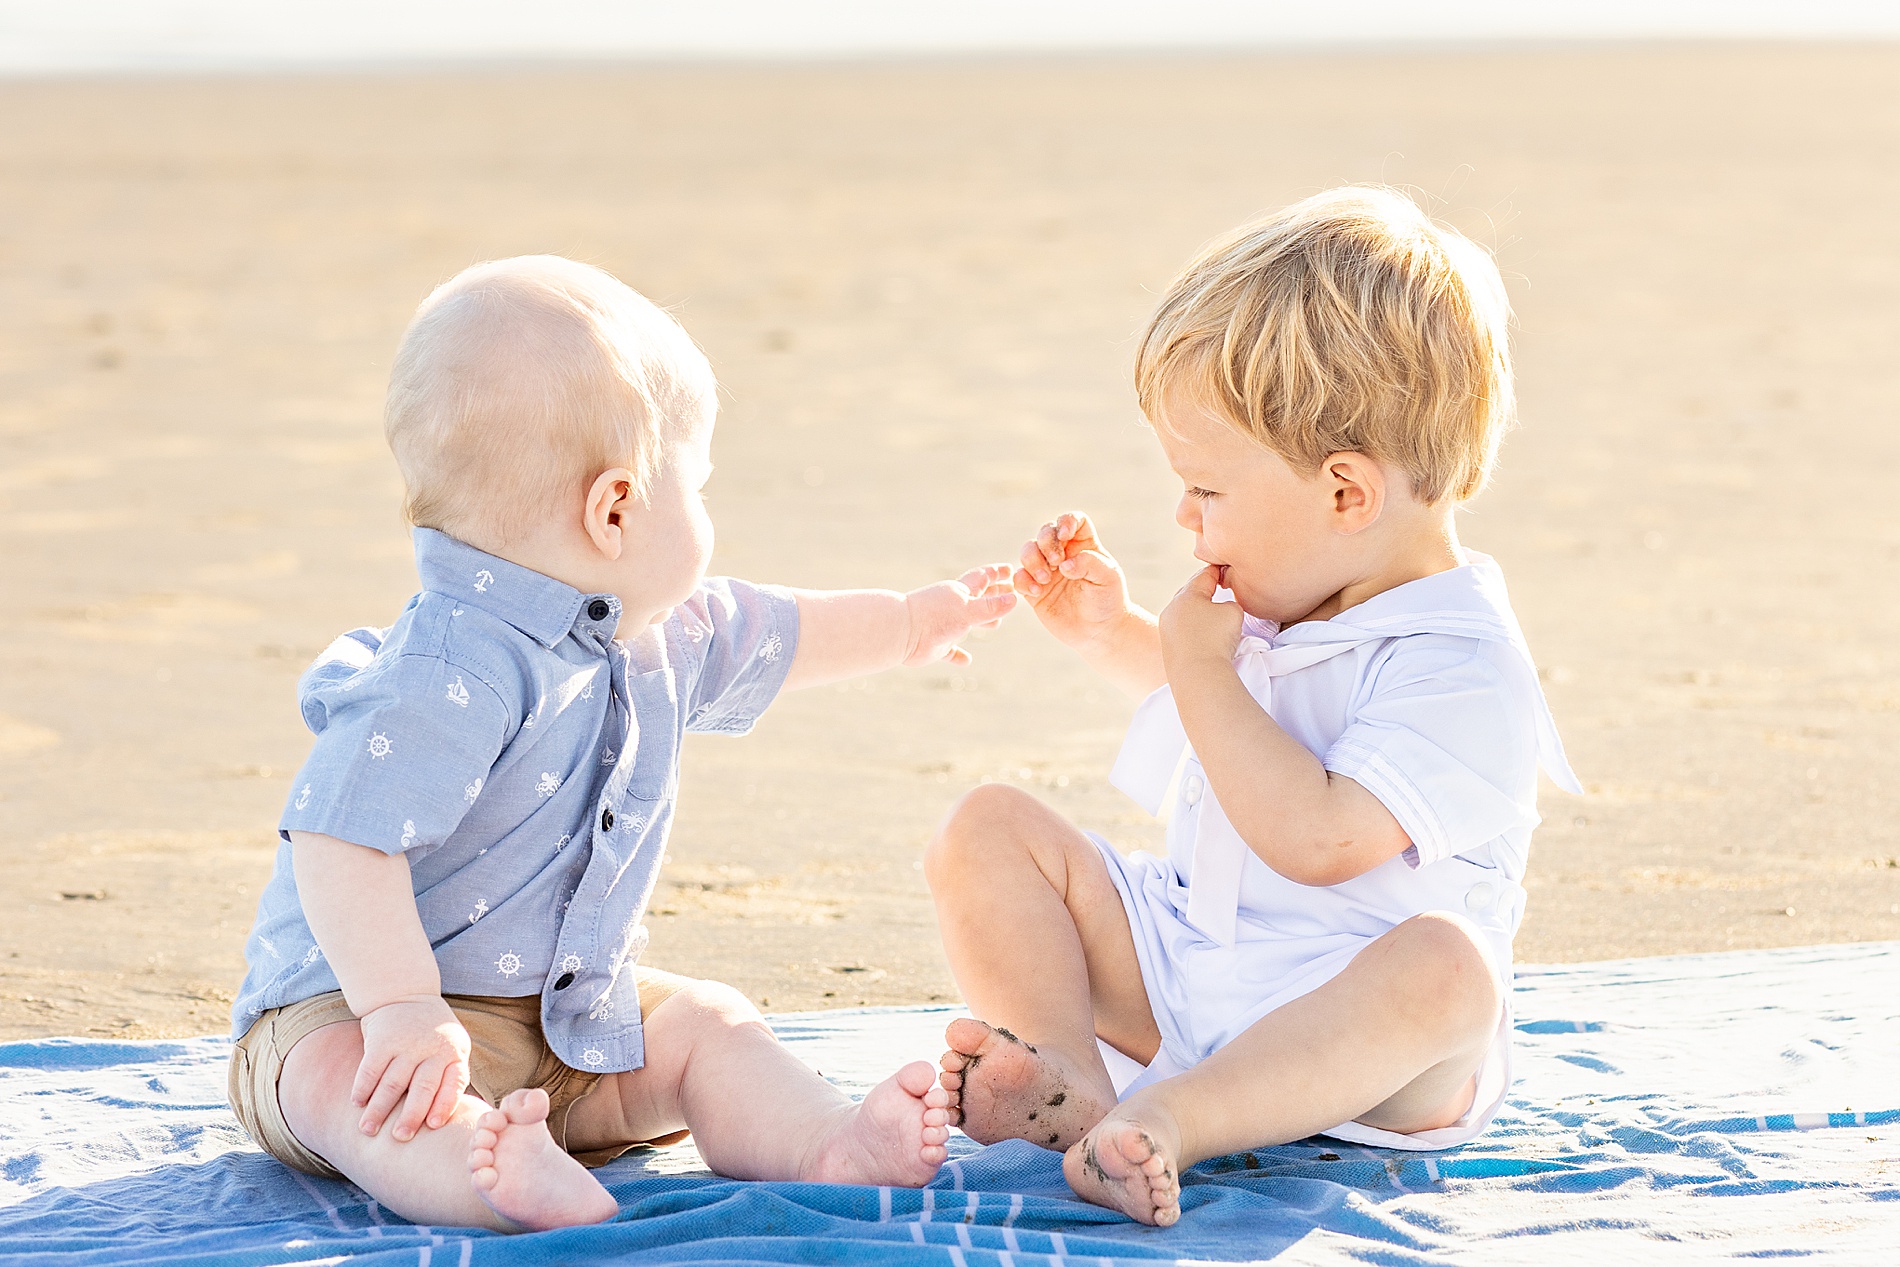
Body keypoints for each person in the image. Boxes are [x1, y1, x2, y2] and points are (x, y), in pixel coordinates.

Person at [228, 255, 1018, 1231]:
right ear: (616, 508)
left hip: (568, 1026)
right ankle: (494, 1183)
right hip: (362, 1011)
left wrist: (909, 623)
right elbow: (341, 838)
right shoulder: (450, 664)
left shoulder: (661, 636)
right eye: (700, 487)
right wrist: (399, 1005)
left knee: (707, 1024)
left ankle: (827, 1143)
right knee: (349, 1088)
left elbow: (784, 629)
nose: (709, 520)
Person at [925, 187, 1580, 1227]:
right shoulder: (1307, 589)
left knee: (1448, 970)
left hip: (1364, 1040)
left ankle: (1175, 1118)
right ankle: (1070, 1084)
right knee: (989, 830)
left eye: (1208, 491)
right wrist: (1114, 634)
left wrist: (1198, 668)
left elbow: (1314, 837)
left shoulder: (1462, 665)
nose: (1184, 517)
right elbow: (1241, 729)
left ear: (1346, 494)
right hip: (1199, 967)